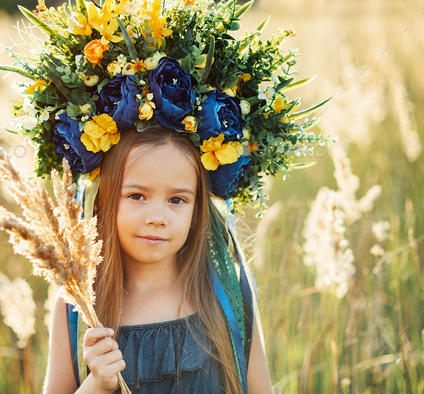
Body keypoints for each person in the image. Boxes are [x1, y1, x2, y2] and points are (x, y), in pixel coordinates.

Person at [43, 126, 273, 394]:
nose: (157, 217)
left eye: (177, 199)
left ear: (197, 210)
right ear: (103, 200)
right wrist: (96, 385)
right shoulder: (78, 302)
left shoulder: (227, 293)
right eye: (137, 196)